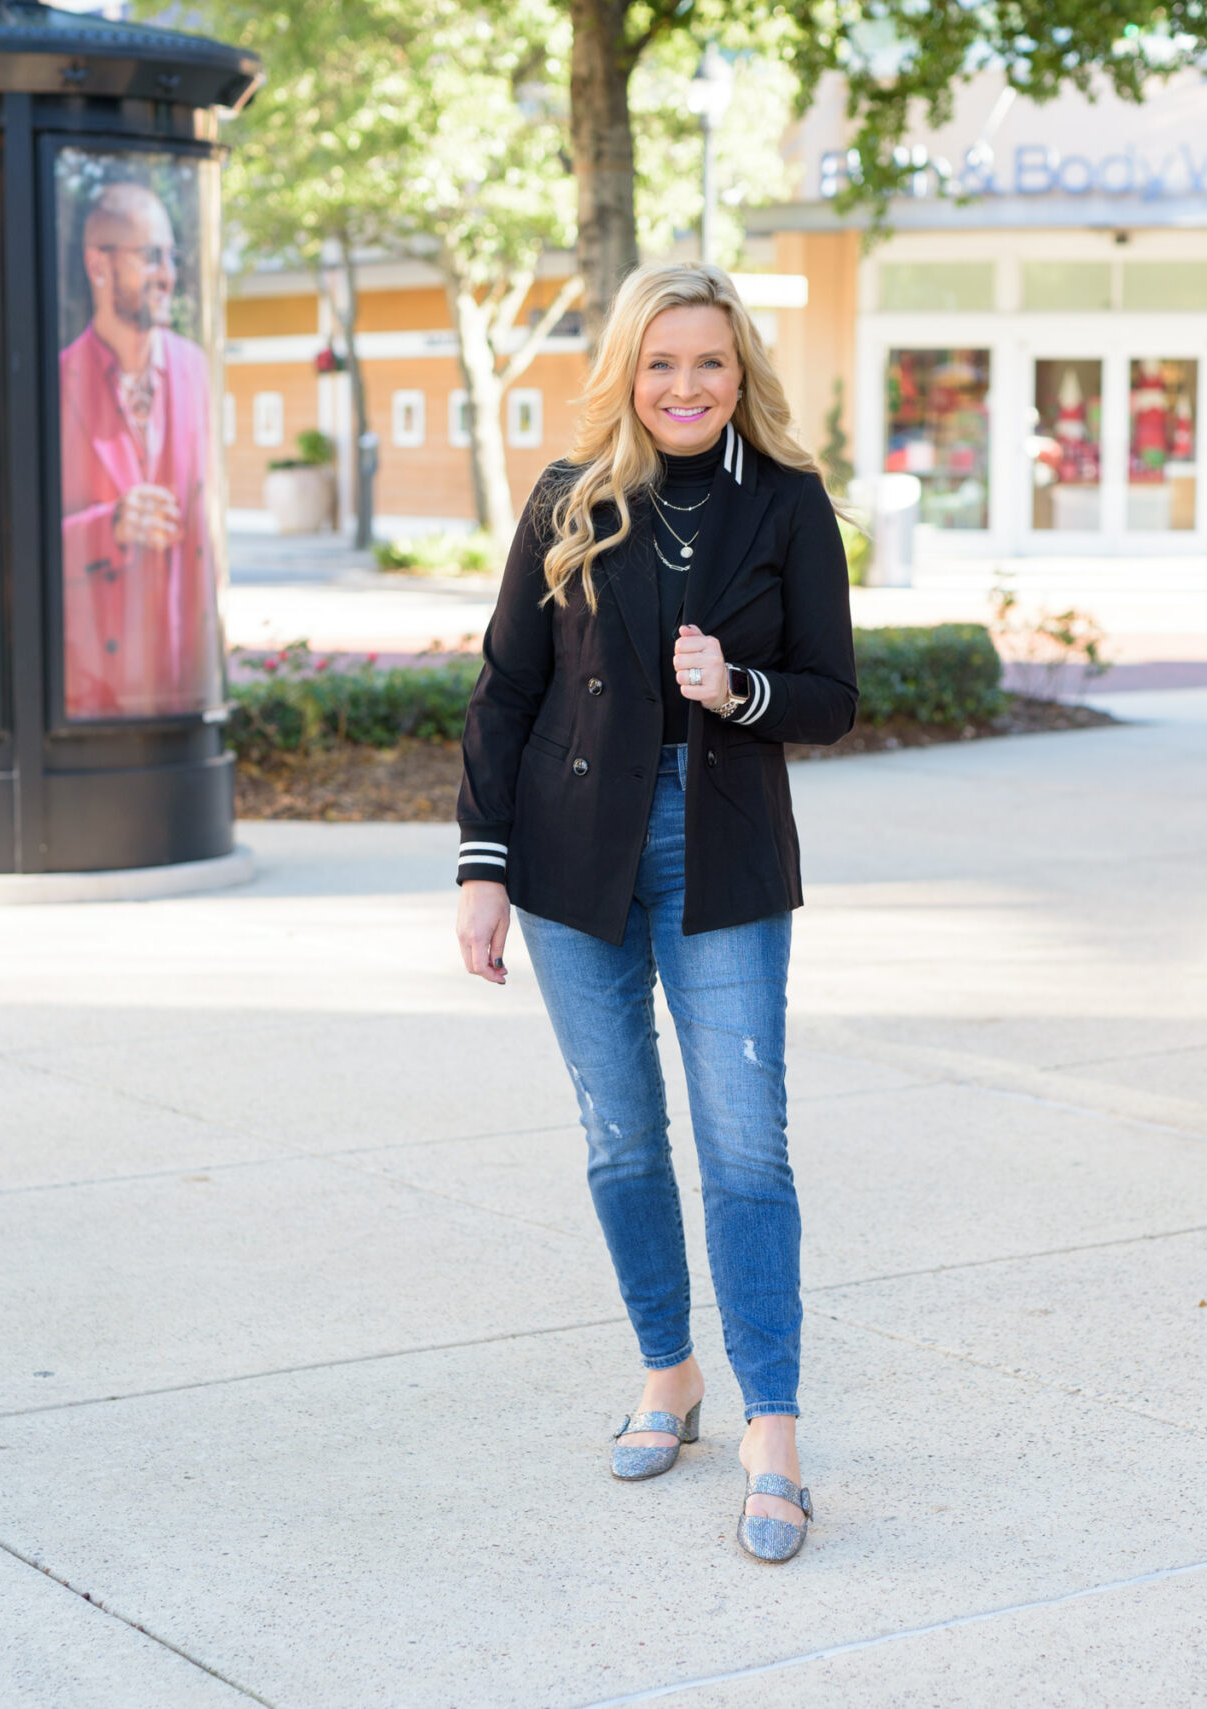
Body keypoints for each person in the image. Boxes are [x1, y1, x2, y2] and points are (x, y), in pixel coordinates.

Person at [453, 263, 857, 1564]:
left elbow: (832, 693)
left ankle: (773, 1435)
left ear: (743, 378)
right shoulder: (570, 502)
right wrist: (483, 865)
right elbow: (505, 691)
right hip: (574, 859)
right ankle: (668, 1373)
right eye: (664, 362)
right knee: (622, 1138)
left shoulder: (786, 504)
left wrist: (737, 686)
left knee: (747, 1149)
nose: (687, 386)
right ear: (628, 368)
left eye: (713, 364)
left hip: (718, 843)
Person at [58, 180, 216, 719]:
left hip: (180, 691)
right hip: (92, 695)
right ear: (98, 264)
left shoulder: (194, 368)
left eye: (171, 256)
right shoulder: (57, 383)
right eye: (151, 257)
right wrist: (112, 527)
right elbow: (19, 549)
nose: (168, 275)